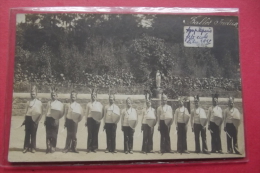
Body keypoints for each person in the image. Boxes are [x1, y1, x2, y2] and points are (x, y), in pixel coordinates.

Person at [22, 85, 43, 153]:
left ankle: (33, 148)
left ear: (36, 94)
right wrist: (25, 120)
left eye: (34, 94)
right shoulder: (28, 102)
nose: (32, 95)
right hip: (28, 118)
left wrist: (37, 120)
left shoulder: (39, 102)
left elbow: (41, 113)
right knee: (27, 133)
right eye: (31, 94)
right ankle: (26, 147)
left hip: (35, 119)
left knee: (33, 134)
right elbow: (26, 111)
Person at [44, 87, 64, 153]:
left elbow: (61, 112)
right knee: (48, 133)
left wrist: (57, 118)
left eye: (54, 95)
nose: (53, 96)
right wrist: (45, 120)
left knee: (54, 133)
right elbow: (46, 112)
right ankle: (48, 147)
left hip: (55, 119)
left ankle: (53, 147)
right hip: (48, 118)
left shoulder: (59, 103)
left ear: (57, 96)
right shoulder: (48, 103)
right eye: (52, 95)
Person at [85, 88, 103, 153]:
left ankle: (94, 147)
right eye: (92, 95)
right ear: (91, 96)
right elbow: (86, 113)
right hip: (90, 119)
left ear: (96, 97)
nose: (93, 97)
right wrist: (86, 121)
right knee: (90, 133)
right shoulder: (88, 104)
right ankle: (89, 147)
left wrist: (99, 119)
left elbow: (101, 112)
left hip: (96, 120)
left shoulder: (99, 104)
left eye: (95, 95)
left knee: (95, 133)